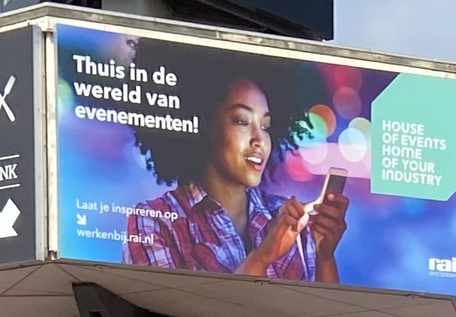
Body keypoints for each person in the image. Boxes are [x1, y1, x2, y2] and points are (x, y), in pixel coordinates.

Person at [122, 57, 346, 283]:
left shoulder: (290, 219)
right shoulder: (154, 221)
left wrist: (324, 256)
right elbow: (166, 315)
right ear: (205, 123)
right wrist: (263, 256)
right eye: (241, 121)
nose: (260, 140)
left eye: (266, 126)